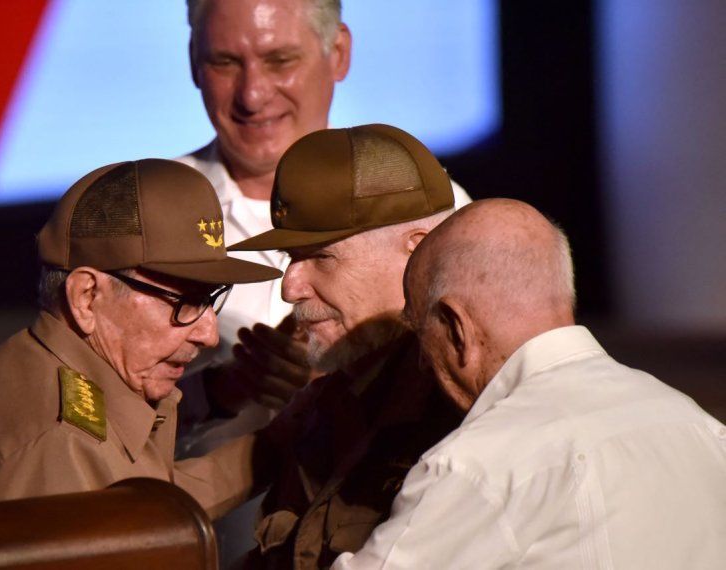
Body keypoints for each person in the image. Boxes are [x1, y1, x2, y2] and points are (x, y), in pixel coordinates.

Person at [333, 199, 726, 569]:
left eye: (421, 332)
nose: (421, 361)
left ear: (457, 327)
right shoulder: (703, 429)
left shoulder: (477, 465)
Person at [176, 0, 473, 431]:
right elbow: (89, 430)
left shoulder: (428, 205)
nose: (253, 94)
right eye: (224, 62)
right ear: (192, 62)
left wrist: (356, 372)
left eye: (280, 60)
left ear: (338, 53)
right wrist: (221, 390)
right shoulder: (140, 216)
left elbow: (488, 389)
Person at [0, 159, 281, 519]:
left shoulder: (45, 366)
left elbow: (144, 501)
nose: (208, 334)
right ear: (86, 296)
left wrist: (278, 438)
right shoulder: (61, 444)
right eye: (185, 301)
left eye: (210, 299)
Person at [228, 123, 464, 569]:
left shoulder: (463, 406)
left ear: (417, 251)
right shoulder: (329, 401)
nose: (290, 288)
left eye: (321, 257)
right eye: (289, 259)